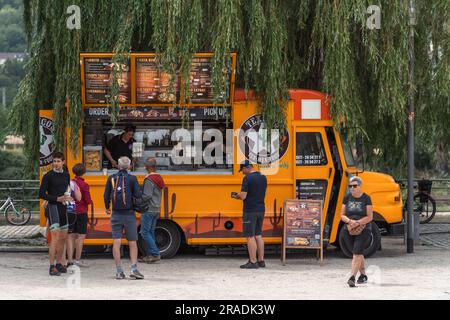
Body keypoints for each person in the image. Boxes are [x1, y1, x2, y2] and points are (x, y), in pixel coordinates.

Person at [104, 156, 144, 280]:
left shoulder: (111, 178)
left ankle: (119, 271)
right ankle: (133, 269)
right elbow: (138, 195)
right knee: (132, 242)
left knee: (117, 241)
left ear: (118, 166)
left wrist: (107, 207)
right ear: (129, 166)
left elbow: (106, 195)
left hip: (116, 213)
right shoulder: (132, 179)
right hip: (129, 214)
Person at [39, 152, 73, 276]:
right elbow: (42, 194)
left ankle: (59, 263)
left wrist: (68, 197)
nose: (56, 163)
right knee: (55, 237)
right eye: (54, 161)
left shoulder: (66, 175)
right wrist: (56, 199)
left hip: (63, 208)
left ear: (63, 162)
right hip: (53, 207)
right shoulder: (48, 176)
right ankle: (52, 266)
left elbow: (67, 189)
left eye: (59, 161)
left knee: (63, 238)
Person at [232, 160, 267, 269]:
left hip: (250, 210)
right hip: (261, 209)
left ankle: (252, 262)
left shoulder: (247, 178)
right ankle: (261, 261)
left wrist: (236, 196)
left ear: (247, 168)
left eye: (242, 169)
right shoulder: (263, 177)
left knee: (250, 236)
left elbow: (243, 196)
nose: (242, 172)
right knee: (258, 235)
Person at [340, 176, 374, 287]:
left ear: (360, 186)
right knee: (357, 253)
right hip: (349, 229)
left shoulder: (366, 198)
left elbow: (370, 217)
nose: (352, 188)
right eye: (350, 186)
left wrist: (358, 222)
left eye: (354, 186)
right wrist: (350, 221)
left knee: (356, 252)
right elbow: (342, 215)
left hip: (364, 229)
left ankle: (352, 277)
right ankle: (363, 275)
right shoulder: (347, 197)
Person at [139, 157, 165, 263]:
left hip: (148, 209)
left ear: (147, 167)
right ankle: (150, 255)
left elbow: (147, 196)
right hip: (156, 209)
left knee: (144, 232)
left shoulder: (149, 179)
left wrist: (138, 200)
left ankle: (155, 254)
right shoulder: (159, 177)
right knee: (150, 232)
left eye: (145, 164)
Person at [67, 163, 93, 268]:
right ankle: (77, 260)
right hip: (81, 212)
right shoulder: (84, 185)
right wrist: (90, 201)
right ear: (84, 172)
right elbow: (87, 200)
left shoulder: (70, 183)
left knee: (70, 236)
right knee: (81, 237)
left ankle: (69, 260)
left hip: (71, 211)